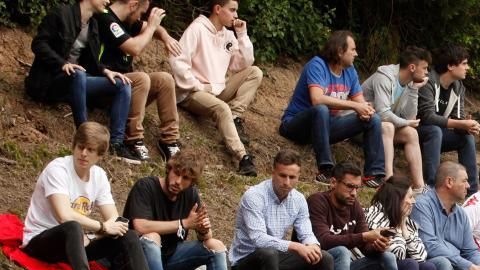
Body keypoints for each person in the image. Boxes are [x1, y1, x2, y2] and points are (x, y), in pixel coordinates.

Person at [21, 122, 182, 270]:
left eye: (90, 150)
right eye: (80, 147)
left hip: (77, 244)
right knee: (72, 226)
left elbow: (114, 220)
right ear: (74, 146)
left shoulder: (98, 176)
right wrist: (102, 228)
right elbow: (64, 215)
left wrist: (106, 230)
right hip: (41, 241)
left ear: (100, 156)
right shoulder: (58, 169)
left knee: (127, 233)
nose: (84, 154)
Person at [125, 150, 249, 270]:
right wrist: (184, 223)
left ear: (192, 182)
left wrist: (202, 228)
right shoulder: (146, 186)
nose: (178, 182)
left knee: (215, 246)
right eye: (176, 173)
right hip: (137, 264)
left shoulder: (190, 195)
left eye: (185, 179)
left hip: (168, 260)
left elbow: (206, 237)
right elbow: (140, 227)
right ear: (169, 168)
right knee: (152, 237)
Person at [229, 150, 339, 270]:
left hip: (274, 262)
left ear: (299, 177)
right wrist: (295, 246)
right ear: (273, 172)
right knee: (268, 252)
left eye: (292, 177)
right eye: (282, 176)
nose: (286, 182)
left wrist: (313, 246)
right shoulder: (254, 196)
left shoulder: (298, 200)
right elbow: (259, 239)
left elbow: (307, 232)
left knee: (325, 258)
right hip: (245, 263)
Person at [307, 162, 406, 270]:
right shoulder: (317, 201)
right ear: (333, 183)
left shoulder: (355, 207)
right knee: (341, 251)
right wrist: (365, 237)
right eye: (349, 187)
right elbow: (322, 240)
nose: (353, 193)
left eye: (357, 188)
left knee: (387, 257)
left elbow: (365, 247)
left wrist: (376, 246)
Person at [26, 0, 134, 160]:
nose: (108, 1)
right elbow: (38, 44)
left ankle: (117, 144)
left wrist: (106, 71)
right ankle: (86, 137)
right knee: (79, 74)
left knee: (121, 84)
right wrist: (62, 64)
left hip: (77, 81)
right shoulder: (61, 14)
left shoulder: (93, 25)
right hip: (48, 82)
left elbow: (92, 61)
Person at [279, 31, 384, 186]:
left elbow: (360, 102)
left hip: (325, 129)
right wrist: (355, 106)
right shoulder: (317, 65)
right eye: (353, 49)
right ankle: (325, 171)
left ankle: (373, 175)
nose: (356, 54)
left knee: (373, 119)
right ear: (340, 52)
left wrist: (365, 111)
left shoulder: (350, 71)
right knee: (321, 109)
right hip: (296, 125)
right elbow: (317, 98)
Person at [170, 0, 261, 176]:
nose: (236, 15)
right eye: (232, 10)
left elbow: (243, 63)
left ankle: (234, 116)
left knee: (255, 72)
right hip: (192, 93)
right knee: (221, 108)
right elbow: (178, 61)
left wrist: (242, 35)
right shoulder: (197, 29)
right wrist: (197, 85)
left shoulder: (228, 35)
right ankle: (242, 157)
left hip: (216, 91)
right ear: (218, 9)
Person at [96, 0, 182, 163]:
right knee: (141, 78)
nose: (140, 18)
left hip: (124, 86)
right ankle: (133, 139)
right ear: (133, 5)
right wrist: (150, 27)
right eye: (141, 13)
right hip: (103, 82)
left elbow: (156, 30)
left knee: (164, 79)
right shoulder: (107, 19)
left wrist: (166, 37)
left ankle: (169, 142)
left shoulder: (128, 21)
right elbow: (134, 48)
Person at [361, 46, 430, 189]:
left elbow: (410, 116)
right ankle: (388, 179)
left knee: (411, 133)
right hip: (360, 125)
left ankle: (419, 187)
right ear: (412, 67)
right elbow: (383, 114)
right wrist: (406, 122)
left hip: (380, 129)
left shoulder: (409, 83)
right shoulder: (384, 77)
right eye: (424, 68)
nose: (426, 72)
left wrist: (414, 89)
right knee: (388, 125)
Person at [416, 44, 480, 193]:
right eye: (464, 63)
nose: (467, 67)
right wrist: (460, 123)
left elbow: (458, 118)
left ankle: (472, 192)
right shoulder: (429, 81)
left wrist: (467, 127)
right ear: (450, 66)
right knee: (435, 130)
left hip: (437, 135)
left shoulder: (458, 87)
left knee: (466, 138)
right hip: (417, 131)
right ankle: (433, 187)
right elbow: (427, 117)